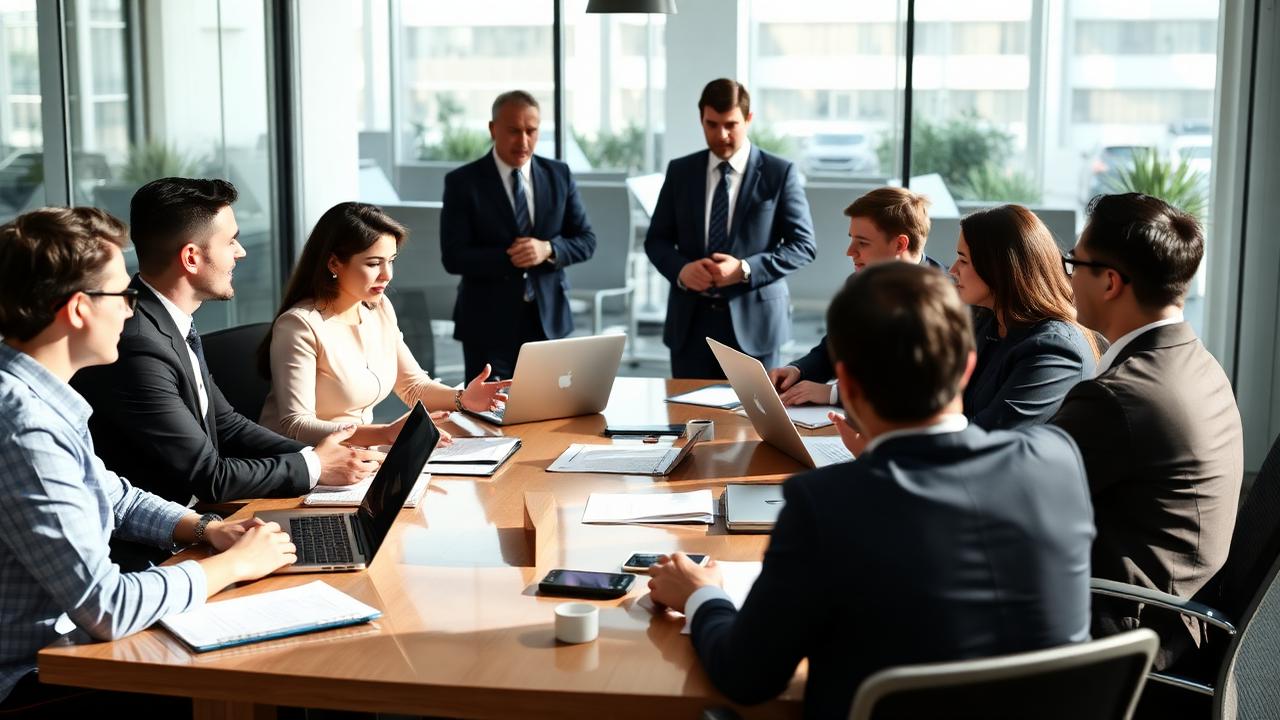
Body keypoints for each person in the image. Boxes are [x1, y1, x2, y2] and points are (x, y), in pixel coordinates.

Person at [648, 262, 1095, 719]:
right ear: (966, 367)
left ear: (850, 387)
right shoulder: (1057, 460)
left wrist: (701, 594)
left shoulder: (825, 503)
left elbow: (747, 676)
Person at [0, 207, 296, 712]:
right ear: (77, 309)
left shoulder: (38, 396)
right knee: (272, 670)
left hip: (70, 649)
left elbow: (110, 492)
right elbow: (108, 607)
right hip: (35, 677)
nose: (132, 311)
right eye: (122, 296)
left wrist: (203, 529)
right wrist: (233, 566)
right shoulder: (23, 424)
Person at [71, 179, 379, 532]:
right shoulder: (138, 343)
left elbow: (226, 423)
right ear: (191, 257)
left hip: (200, 518)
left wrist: (325, 456)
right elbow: (209, 476)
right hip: (158, 537)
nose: (241, 251)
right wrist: (315, 465)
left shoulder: (168, 320)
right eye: (230, 240)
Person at [1052, 193, 1243, 670]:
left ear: (1110, 282)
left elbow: (1010, 495)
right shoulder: (1197, 363)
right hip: (1180, 623)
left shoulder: (1120, 397)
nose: (1067, 277)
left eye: (1073, 262)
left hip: (1122, 639)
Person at [258, 201, 509, 446]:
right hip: (299, 462)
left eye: (391, 260)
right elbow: (297, 425)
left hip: (357, 454)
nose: (387, 275)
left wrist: (464, 399)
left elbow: (413, 386)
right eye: (373, 263)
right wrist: (385, 434)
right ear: (334, 263)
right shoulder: (299, 325)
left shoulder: (378, 308)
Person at [644, 78, 816, 379]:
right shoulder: (680, 172)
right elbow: (656, 240)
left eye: (730, 124)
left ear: (748, 120)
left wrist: (745, 269)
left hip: (755, 327)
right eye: (712, 125)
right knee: (687, 422)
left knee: (750, 425)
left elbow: (803, 245)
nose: (721, 135)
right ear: (701, 120)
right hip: (690, 325)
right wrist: (682, 271)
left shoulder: (779, 173)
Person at [440, 90, 597, 380]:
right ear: (492, 129)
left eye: (531, 131)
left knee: (548, 412)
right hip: (486, 322)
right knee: (486, 419)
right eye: (513, 131)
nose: (523, 141)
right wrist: (510, 257)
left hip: (548, 320)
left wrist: (548, 249)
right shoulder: (463, 182)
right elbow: (453, 256)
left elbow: (587, 240)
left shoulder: (558, 175)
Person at [768, 186, 944, 406]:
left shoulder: (944, 300)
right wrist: (797, 370)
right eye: (851, 239)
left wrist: (834, 394)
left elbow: (918, 384)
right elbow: (833, 348)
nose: (850, 251)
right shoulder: (857, 283)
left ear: (900, 244)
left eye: (862, 242)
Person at [949, 204, 1097, 429]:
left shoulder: (1056, 349)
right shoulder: (988, 322)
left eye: (963, 260)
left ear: (999, 269)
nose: (952, 269)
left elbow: (992, 436)